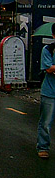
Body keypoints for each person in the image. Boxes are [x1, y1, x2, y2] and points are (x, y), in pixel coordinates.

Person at [37, 23, 55, 159]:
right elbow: (48, 68)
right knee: (46, 122)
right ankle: (43, 147)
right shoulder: (48, 49)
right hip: (50, 92)